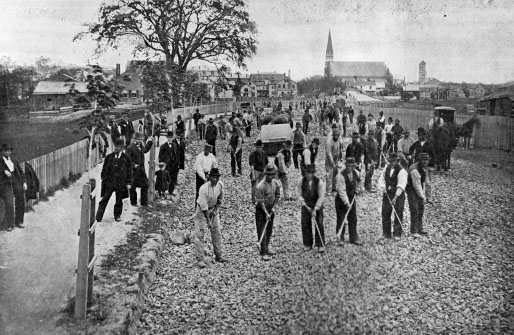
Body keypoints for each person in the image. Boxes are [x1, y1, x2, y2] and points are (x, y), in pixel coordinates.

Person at [194, 167, 228, 268]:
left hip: (213, 210)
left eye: (216, 177)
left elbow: (220, 200)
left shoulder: (220, 185)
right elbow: (204, 207)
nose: (215, 180)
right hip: (202, 211)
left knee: (217, 232)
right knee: (199, 235)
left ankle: (218, 255)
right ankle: (200, 259)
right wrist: (208, 221)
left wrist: (215, 210)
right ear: (209, 177)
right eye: (213, 177)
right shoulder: (203, 189)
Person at [96, 139, 132, 222]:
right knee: (104, 199)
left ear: (122, 148)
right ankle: (98, 217)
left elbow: (130, 172)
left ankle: (117, 216)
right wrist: (104, 178)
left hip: (121, 183)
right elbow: (104, 169)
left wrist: (129, 182)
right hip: (110, 183)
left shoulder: (126, 158)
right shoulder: (109, 157)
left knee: (119, 201)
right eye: (115, 146)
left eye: (118, 147)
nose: (116, 148)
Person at [378, 152, 408, 241]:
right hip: (387, 194)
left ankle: (397, 233)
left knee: (398, 213)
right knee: (385, 212)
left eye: (395, 161)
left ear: (398, 161)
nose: (393, 163)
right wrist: (383, 188)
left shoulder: (402, 171)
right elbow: (382, 179)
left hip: (398, 195)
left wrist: (395, 197)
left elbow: (401, 185)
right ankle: (386, 233)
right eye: (391, 161)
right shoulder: (386, 168)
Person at [255, 165, 281, 260]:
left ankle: (266, 247)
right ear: (266, 174)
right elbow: (260, 202)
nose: (271, 177)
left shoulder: (275, 183)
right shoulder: (260, 186)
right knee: (262, 229)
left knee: (269, 229)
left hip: (271, 208)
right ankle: (263, 252)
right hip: (261, 210)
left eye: (273, 175)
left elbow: (277, 196)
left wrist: (274, 207)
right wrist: (266, 213)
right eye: (269, 175)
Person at [298, 164, 326, 253]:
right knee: (305, 223)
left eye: (311, 173)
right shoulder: (301, 181)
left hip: (317, 204)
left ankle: (320, 244)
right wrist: (306, 206)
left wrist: (315, 209)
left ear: (314, 173)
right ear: (305, 173)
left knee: (319, 223)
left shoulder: (319, 182)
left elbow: (321, 197)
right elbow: (299, 195)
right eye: (308, 173)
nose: (309, 175)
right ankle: (307, 244)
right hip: (306, 204)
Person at [335, 157, 363, 246]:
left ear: (354, 166)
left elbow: (360, 182)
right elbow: (342, 191)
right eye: (348, 166)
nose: (350, 168)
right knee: (341, 218)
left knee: (353, 218)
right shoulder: (340, 176)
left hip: (352, 198)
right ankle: (340, 239)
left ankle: (353, 237)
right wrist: (347, 203)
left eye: (352, 166)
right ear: (345, 166)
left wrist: (358, 189)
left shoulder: (356, 173)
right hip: (341, 200)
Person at [0, 143, 26, 231]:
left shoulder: (14, 160)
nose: (7, 152)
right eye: (5, 151)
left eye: (9, 151)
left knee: (20, 199)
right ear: (2, 152)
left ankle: (18, 221)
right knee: (9, 203)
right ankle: (10, 224)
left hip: (16, 182)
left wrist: (24, 183)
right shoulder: (0, 161)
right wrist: (3, 171)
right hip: (5, 184)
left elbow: (21, 172)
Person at [406, 153, 432, 237]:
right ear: (420, 160)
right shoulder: (414, 170)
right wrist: (423, 197)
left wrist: (427, 196)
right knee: (415, 210)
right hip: (411, 190)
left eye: (427, 160)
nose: (425, 162)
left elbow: (426, 182)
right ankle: (413, 231)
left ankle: (419, 229)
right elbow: (417, 186)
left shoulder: (425, 168)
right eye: (423, 160)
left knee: (421, 209)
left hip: (418, 188)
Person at [126, 132, 153, 206]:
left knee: (145, 185)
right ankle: (133, 202)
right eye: (139, 139)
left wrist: (150, 142)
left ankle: (144, 203)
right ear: (135, 139)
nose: (140, 141)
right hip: (133, 171)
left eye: (141, 139)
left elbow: (145, 150)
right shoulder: (130, 148)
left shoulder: (141, 145)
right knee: (133, 187)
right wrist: (133, 165)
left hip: (141, 170)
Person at [158, 131, 180, 196]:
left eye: (171, 138)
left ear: (173, 138)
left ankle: (171, 191)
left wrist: (178, 163)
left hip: (173, 164)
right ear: (167, 138)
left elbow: (177, 155)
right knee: (164, 178)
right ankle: (163, 192)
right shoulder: (163, 146)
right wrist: (161, 165)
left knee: (172, 178)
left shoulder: (175, 145)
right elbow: (160, 156)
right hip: (166, 165)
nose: (170, 139)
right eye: (169, 138)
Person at [325, 128, 344, 194]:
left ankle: (334, 188)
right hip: (329, 161)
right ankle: (329, 190)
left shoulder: (338, 142)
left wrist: (339, 158)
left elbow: (339, 150)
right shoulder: (329, 143)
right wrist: (332, 162)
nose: (336, 136)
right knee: (329, 175)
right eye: (335, 135)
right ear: (333, 135)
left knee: (335, 175)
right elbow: (329, 153)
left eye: (337, 135)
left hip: (335, 160)